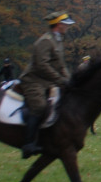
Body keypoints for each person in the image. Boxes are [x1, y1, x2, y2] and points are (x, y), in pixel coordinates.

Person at [18, 12, 75, 159]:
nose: (67, 27)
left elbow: (61, 65)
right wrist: (60, 80)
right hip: (34, 80)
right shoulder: (45, 41)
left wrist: (69, 81)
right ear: (58, 24)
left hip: (47, 81)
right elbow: (42, 65)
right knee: (40, 107)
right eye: (65, 24)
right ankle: (28, 144)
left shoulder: (58, 41)